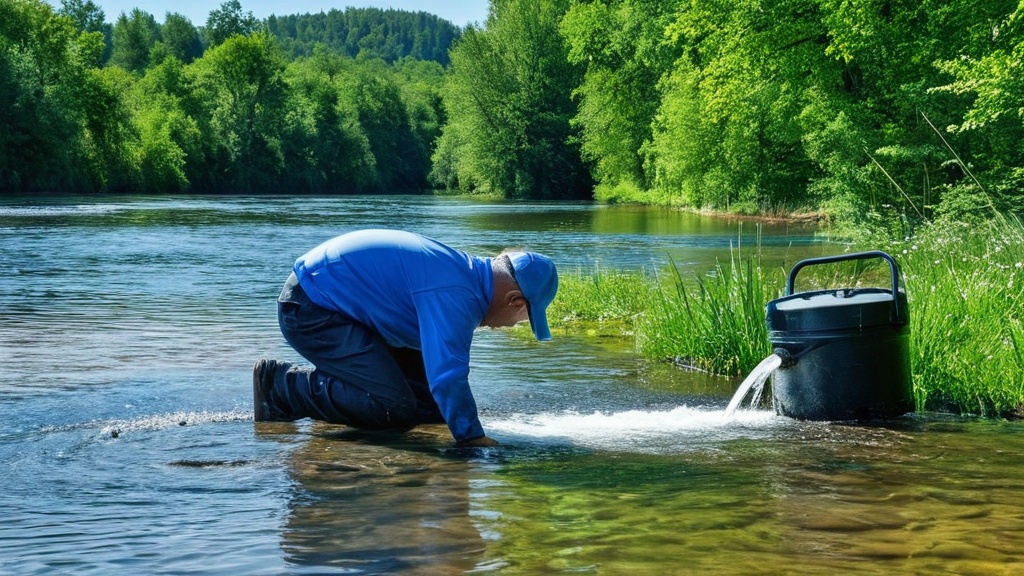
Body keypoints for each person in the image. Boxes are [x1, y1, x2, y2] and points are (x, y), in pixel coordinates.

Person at [253, 229, 558, 447]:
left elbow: (442, 381)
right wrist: (472, 439)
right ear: (516, 301)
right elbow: (448, 378)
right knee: (392, 406)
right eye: (525, 320)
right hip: (311, 308)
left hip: (344, 309)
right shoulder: (458, 293)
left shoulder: (466, 279)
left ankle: (336, 399)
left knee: (432, 409)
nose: (512, 326)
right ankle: (280, 386)